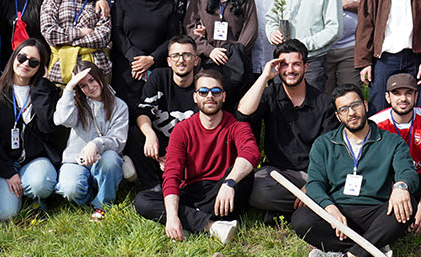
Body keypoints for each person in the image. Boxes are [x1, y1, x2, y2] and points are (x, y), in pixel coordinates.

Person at [133, 67, 260, 242]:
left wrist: (229, 182)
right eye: (203, 92)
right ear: (195, 97)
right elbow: (172, 174)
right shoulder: (182, 129)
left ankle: (190, 221)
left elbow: (251, 152)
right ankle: (211, 226)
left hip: (222, 191)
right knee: (142, 200)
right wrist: (171, 216)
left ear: (223, 96)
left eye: (215, 91)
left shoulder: (236, 126)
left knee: (244, 175)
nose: (209, 96)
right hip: (192, 191)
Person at [296, 89, 421, 257]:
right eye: (344, 109)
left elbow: (408, 172)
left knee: (407, 206)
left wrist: (401, 186)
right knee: (302, 219)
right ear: (338, 116)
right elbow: (314, 183)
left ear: (365, 105)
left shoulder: (391, 141)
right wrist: (330, 208)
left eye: (355, 105)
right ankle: (375, 249)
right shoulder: (324, 144)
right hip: (339, 211)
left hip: (376, 211)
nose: (351, 113)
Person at [240, 42, 337, 216]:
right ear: (277, 67)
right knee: (254, 190)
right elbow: (243, 114)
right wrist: (264, 77)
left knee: (339, 185)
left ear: (305, 67)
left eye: (296, 64)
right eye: (284, 64)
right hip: (277, 174)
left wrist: (313, 183)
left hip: (312, 173)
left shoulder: (323, 102)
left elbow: (329, 151)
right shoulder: (271, 94)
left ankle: (296, 206)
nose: (290, 70)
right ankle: (312, 205)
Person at [0, 37, 62, 222]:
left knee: (41, 184)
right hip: (2, 163)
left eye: (33, 62)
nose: (25, 64)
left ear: (41, 67)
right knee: (6, 214)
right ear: (14, 57)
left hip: (33, 160)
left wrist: (40, 90)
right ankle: (14, 194)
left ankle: (33, 196)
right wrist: (8, 172)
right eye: (22, 57)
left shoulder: (45, 91)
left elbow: (48, 128)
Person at [53, 63, 128, 217]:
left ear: (100, 77)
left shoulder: (119, 106)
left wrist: (95, 144)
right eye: (83, 85)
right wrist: (69, 88)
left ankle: (102, 204)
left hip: (104, 158)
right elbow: (61, 119)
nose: (90, 87)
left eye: (92, 80)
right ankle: (88, 198)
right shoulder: (76, 103)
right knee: (70, 188)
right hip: (76, 160)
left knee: (110, 160)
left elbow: (118, 140)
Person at [369, 73, 421, 219]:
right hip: (390, 180)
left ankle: (420, 208)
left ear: (416, 96)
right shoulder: (375, 123)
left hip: (419, 178)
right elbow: (376, 169)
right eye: (397, 94)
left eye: (408, 93)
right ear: (388, 97)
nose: (403, 99)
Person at [134, 37, 202, 187]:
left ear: (196, 60)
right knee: (136, 133)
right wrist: (150, 135)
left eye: (187, 55)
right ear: (169, 61)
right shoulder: (159, 77)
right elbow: (142, 111)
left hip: (189, 150)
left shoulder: (203, 84)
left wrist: (176, 157)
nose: (181, 60)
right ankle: (152, 186)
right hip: (159, 146)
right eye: (175, 56)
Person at [185, 0, 257, 90]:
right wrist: (209, 50)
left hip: (235, 66)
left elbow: (250, 30)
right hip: (206, 62)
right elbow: (189, 26)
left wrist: (233, 54)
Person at [115, 0, 183, 95]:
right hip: (127, 69)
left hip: (157, 70)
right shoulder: (122, 0)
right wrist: (136, 59)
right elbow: (116, 32)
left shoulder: (167, 4)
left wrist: (151, 59)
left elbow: (172, 37)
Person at [40, 0, 113, 83]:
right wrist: (80, 33)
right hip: (60, 72)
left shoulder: (99, 3)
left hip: (96, 73)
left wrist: (65, 44)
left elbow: (103, 37)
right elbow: (49, 32)